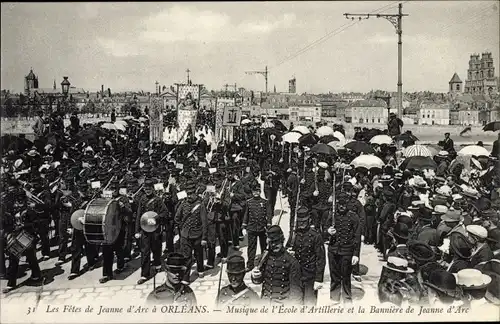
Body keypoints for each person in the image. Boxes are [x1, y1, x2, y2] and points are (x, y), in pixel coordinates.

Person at [251, 225, 302, 304]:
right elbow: (258, 281)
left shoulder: (292, 262)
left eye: (277, 241)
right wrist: (255, 276)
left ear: (282, 240)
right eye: (272, 242)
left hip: (282, 303)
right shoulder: (264, 258)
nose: (274, 245)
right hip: (265, 301)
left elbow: (296, 291)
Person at [325, 193, 361, 303]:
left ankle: (347, 298)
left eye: (343, 204)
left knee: (346, 276)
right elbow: (323, 230)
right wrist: (328, 231)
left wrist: (355, 254)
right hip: (333, 250)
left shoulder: (353, 217)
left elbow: (357, 236)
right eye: (339, 204)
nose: (341, 207)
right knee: (334, 275)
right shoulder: (332, 216)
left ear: (347, 204)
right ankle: (334, 297)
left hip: (347, 251)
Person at [290, 206, 326, 305]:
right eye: (300, 221)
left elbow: (321, 259)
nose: (301, 223)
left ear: (309, 220)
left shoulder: (316, 236)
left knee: (310, 305)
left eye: (304, 221)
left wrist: (319, 279)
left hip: (310, 276)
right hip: (296, 276)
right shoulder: (294, 235)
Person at [135, 179, 168, 285]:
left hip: (155, 229)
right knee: (145, 252)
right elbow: (139, 215)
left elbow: (165, 212)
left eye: (149, 189)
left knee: (156, 248)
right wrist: (137, 230)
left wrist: (156, 217)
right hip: (145, 229)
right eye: (145, 189)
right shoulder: (142, 199)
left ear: (152, 189)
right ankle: (145, 274)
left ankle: (157, 264)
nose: (147, 191)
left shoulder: (158, 200)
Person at [242, 184, 271, 271]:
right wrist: (244, 227)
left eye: (257, 191)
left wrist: (269, 224)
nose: (256, 193)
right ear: (252, 192)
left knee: (264, 247)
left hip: (262, 228)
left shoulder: (265, 202)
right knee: (251, 247)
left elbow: (268, 215)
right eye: (254, 191)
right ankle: (250, 264)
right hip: (252, 228)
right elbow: (246, 215)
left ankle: (264, 263)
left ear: (260, 192)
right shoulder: (249, 202)